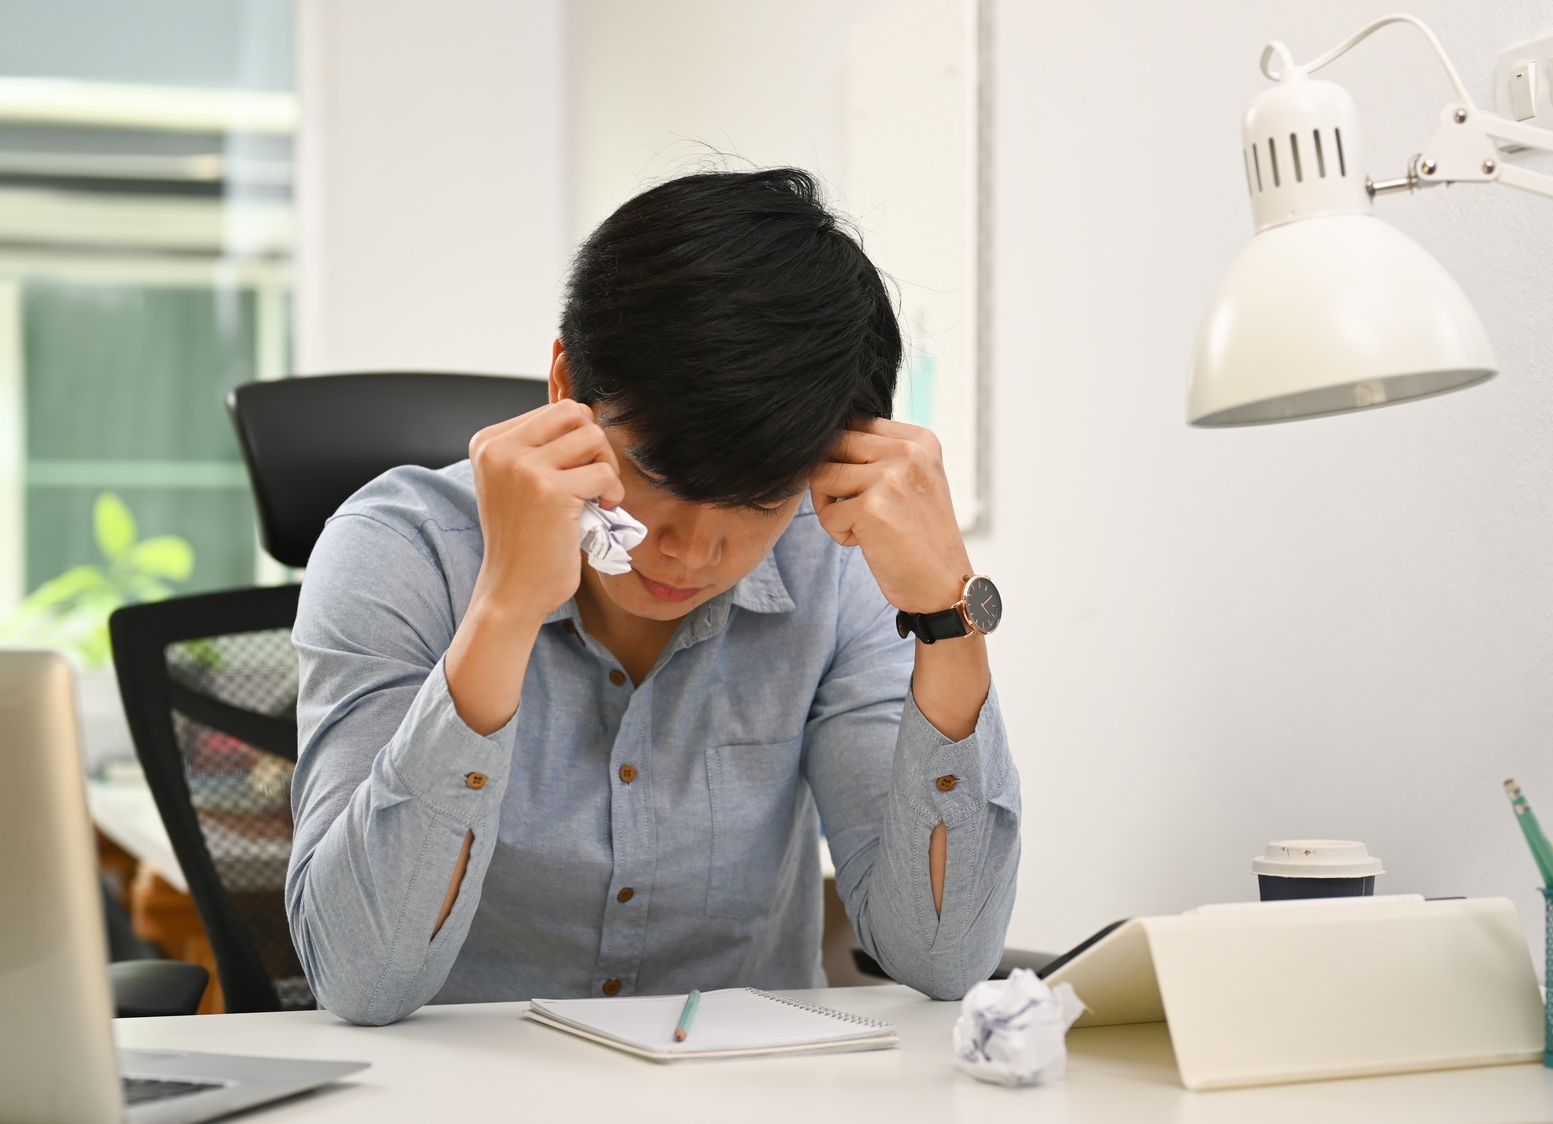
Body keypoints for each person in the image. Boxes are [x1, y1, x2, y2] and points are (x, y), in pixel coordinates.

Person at [286, 168, 1020, 1026]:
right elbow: (360, 980)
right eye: (659, 474)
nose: (693, 548)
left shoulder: (840, 564)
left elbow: (945, 959)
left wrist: (947, 614)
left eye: (756, 501)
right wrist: (505, 608)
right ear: (565, 385)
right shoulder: (399, 550)